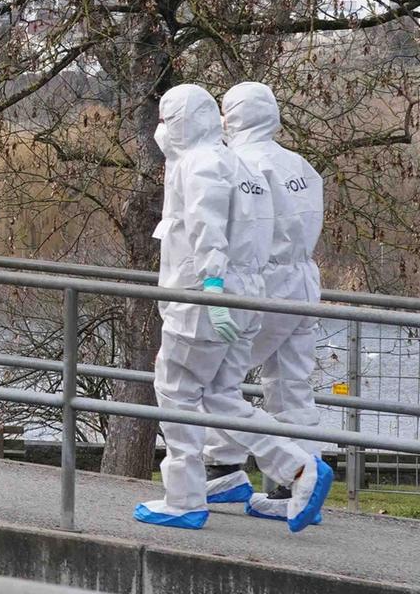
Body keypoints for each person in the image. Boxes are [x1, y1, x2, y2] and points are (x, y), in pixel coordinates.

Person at [134, 84, 333, 533]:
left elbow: (206, 231)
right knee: (254, 391)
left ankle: (187, 495)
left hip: (212, 295)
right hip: (271, 286)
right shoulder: (268, 165)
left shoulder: (214, 164)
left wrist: (212, 287)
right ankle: (298, 468)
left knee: (179, 393)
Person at [200, 81, 327, 522]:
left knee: (216, 379)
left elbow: (234, 231)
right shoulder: (301, 166)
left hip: (261, 282)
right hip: (304, 283)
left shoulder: (235, 164)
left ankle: (225, 469)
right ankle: (296, 487)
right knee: (292, 387)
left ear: (231, 116)